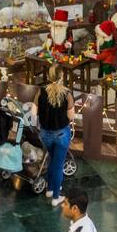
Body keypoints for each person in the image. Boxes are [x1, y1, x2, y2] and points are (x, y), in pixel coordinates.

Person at [37, 65, 75, 206]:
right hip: (61, 134)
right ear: (61, 77)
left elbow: (34, 112)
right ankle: (56, 197)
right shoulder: (67, 94)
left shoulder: (40, 92)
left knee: (51, 160)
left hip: (45, 134)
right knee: (58, 165)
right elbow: (71, 117)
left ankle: (50, 189)